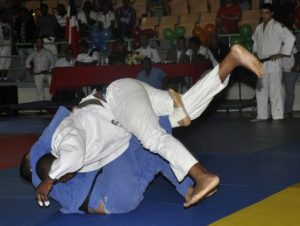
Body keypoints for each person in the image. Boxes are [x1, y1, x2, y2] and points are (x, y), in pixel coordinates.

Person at [33, 44, 263, 209]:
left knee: (153, 139)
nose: (66, 178)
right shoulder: (77, 156)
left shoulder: (65, 139)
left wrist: (49, 180)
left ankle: (201, 175)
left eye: (61, 176)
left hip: (117, 100)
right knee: (188, 110)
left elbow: (71, 155)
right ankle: (231, 61)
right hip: (128, 105)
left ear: (58, 165)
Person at [22, 107, 194, 214]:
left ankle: (188, 190)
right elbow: (42, 144)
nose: (66, 172)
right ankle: (162, 110)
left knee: (155, 149)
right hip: (111, 196)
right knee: (124, 136)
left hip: (125, 193)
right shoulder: (41, 175)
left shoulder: (64, 166)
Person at [252, 3, 295, 122]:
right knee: (261, 89)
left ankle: (277, 115)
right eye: (262, 13)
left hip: (273, 61)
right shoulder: (259, 28)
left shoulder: (277, 26)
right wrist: (255, 53)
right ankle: (262, 115)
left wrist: (281, 53)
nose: (264, 15)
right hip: (261, 62)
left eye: (266, 13)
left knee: (274, 89)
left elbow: (290, 38)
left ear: (272, 13)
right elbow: (255, 42)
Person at [14, 7, 36, 81]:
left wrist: (33, 39)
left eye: (24, 12)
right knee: (22, 62)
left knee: (33, 60)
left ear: (26, 13)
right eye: (21, 12)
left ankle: (34, 76)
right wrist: (16, 42)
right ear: (19, 13)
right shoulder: (18, 20)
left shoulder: (30, 19)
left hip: (29, 44)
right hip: (21, 44)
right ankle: (22, 78)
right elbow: (16, 32)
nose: (23, 14)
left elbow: (34, 29)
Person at [282, 46, 299, 118]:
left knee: (290, 92)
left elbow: (297, 54)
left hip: (290, 71)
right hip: (278, 71)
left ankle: (288, 111)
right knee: (275, 91)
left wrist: (295, 66)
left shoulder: (289, 42)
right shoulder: (275, 43)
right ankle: (278, 111)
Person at [0, 10, 11, 81]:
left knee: (8, 61)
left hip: (9, 45)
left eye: (6, 15)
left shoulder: (9, 25)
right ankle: (0, 77)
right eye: (3, 15)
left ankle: (5, 77)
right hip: (1, 46)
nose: (5, 16)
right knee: (2, 62)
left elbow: (11, 35)